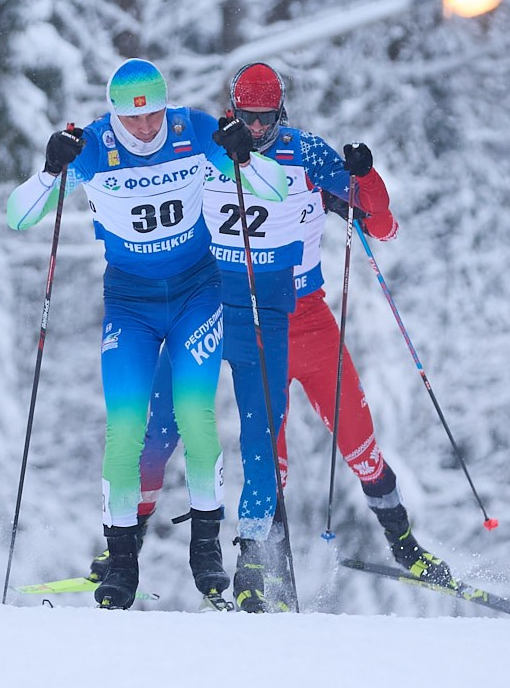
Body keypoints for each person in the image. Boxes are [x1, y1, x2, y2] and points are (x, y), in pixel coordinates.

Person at [147, 61, 451, 599]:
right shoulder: (205, 151)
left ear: (280, 113)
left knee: (360, 442)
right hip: (238, 319)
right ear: (231, 110)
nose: (258, 130)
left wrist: (364, 176)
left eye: (266, 119)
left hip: (304, 319)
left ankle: (408, 549)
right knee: (267, 459)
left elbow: (382, 225)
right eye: (248, 118)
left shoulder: (306, 153)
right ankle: (263, 571)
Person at [4, 58, 283, 609]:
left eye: (153, 116)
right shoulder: (92, 146)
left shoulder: (192, 130)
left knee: (195, 416)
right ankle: (122, 560)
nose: (146, 129)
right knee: (126, 429)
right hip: (130, 303)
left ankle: (206, 550)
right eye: (133, 121)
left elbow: (270, 191)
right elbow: (18, 217)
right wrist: (48, 170)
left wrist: (242, 156)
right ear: (113, 116)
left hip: (196, 294)